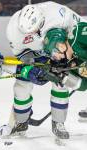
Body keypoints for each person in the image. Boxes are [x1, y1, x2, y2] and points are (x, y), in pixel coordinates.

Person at [6, 1, 86, 139]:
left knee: (60, 82)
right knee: (21, 86)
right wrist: (30, 69)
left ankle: (58, 122)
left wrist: (74, 62)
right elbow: (22, 55)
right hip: (34, 53)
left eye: (37, 28)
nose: (36, 34)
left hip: (58, 49)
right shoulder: (13, 30)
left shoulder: (60, 15)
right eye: (30, 32)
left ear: (42, 18)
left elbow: (76, 36)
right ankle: (21, 121)